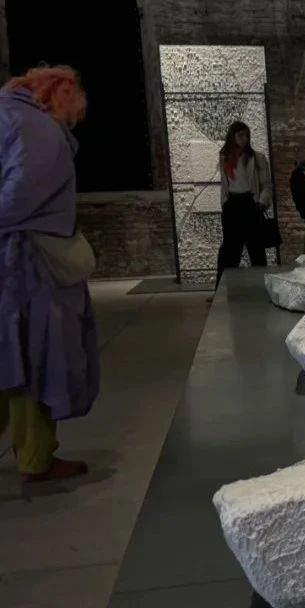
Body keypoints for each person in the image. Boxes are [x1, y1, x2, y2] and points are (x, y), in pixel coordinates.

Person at [0, 66, 99, 482]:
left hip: (16, 259)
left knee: (12, 356)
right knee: (35, 357)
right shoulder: (37, 127)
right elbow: (22, 192)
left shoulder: (9, 116)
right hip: (28, 263)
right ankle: (35, 456)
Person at [215, 121, 271, 289]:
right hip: (232, 204)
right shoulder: (225, 157)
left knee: (256, 248)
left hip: (250, 202)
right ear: (232, 136)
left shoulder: (257, 158)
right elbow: (225, 184)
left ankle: (262, 288)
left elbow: (267, 184)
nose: (244, 139)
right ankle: (222, 290)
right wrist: (224, 203)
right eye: (240, 135)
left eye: (246, 135)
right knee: (229, 250)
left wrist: (261, 203)